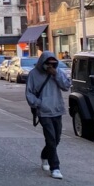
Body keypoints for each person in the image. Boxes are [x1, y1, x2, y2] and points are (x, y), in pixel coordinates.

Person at [25, 50, 71, 179]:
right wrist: (38, 103)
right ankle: (55, 167)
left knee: (56, 139)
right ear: (42, 63)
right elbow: (29, 93)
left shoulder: (57, 72)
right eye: (48, 64)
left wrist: (56, 74)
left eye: (53, 64)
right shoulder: (33, 74)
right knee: (50, 138)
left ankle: (45, 155)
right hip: (44, 112)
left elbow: (66, 86)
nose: (50, 66)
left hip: (57, 109)